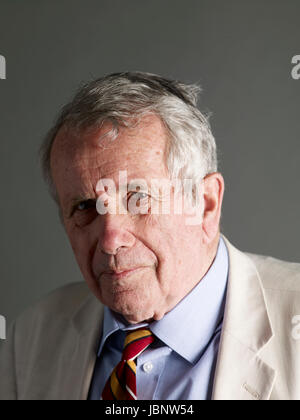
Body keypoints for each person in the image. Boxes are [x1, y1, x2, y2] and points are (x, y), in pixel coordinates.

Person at [0, 72, 300, 401]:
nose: (111, 239)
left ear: (206, 205)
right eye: (85, 206)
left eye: (137, 198)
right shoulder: (31, 338)